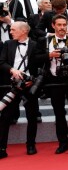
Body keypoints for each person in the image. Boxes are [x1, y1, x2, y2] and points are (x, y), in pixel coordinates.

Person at [36, 14, 68, 154]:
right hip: (54, 82)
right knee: (59, 114)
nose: (62, 28)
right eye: (59, 25)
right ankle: (63, 143)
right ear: (53, 26)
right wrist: (49, 56)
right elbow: (34, 58)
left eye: (64, 25)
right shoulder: (44, 41)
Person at [0, 22, 39, 158]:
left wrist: (32, 80)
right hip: (11, 85)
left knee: (32, 116)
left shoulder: (35, 45)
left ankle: (31, 145)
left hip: (29, 86)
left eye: (13, 29)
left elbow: (40, 66)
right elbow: (1, 62)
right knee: (5, 117)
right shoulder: (8, 44)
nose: (10, 31)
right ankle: (1, 148)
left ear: (24, 31)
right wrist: (12, 70)